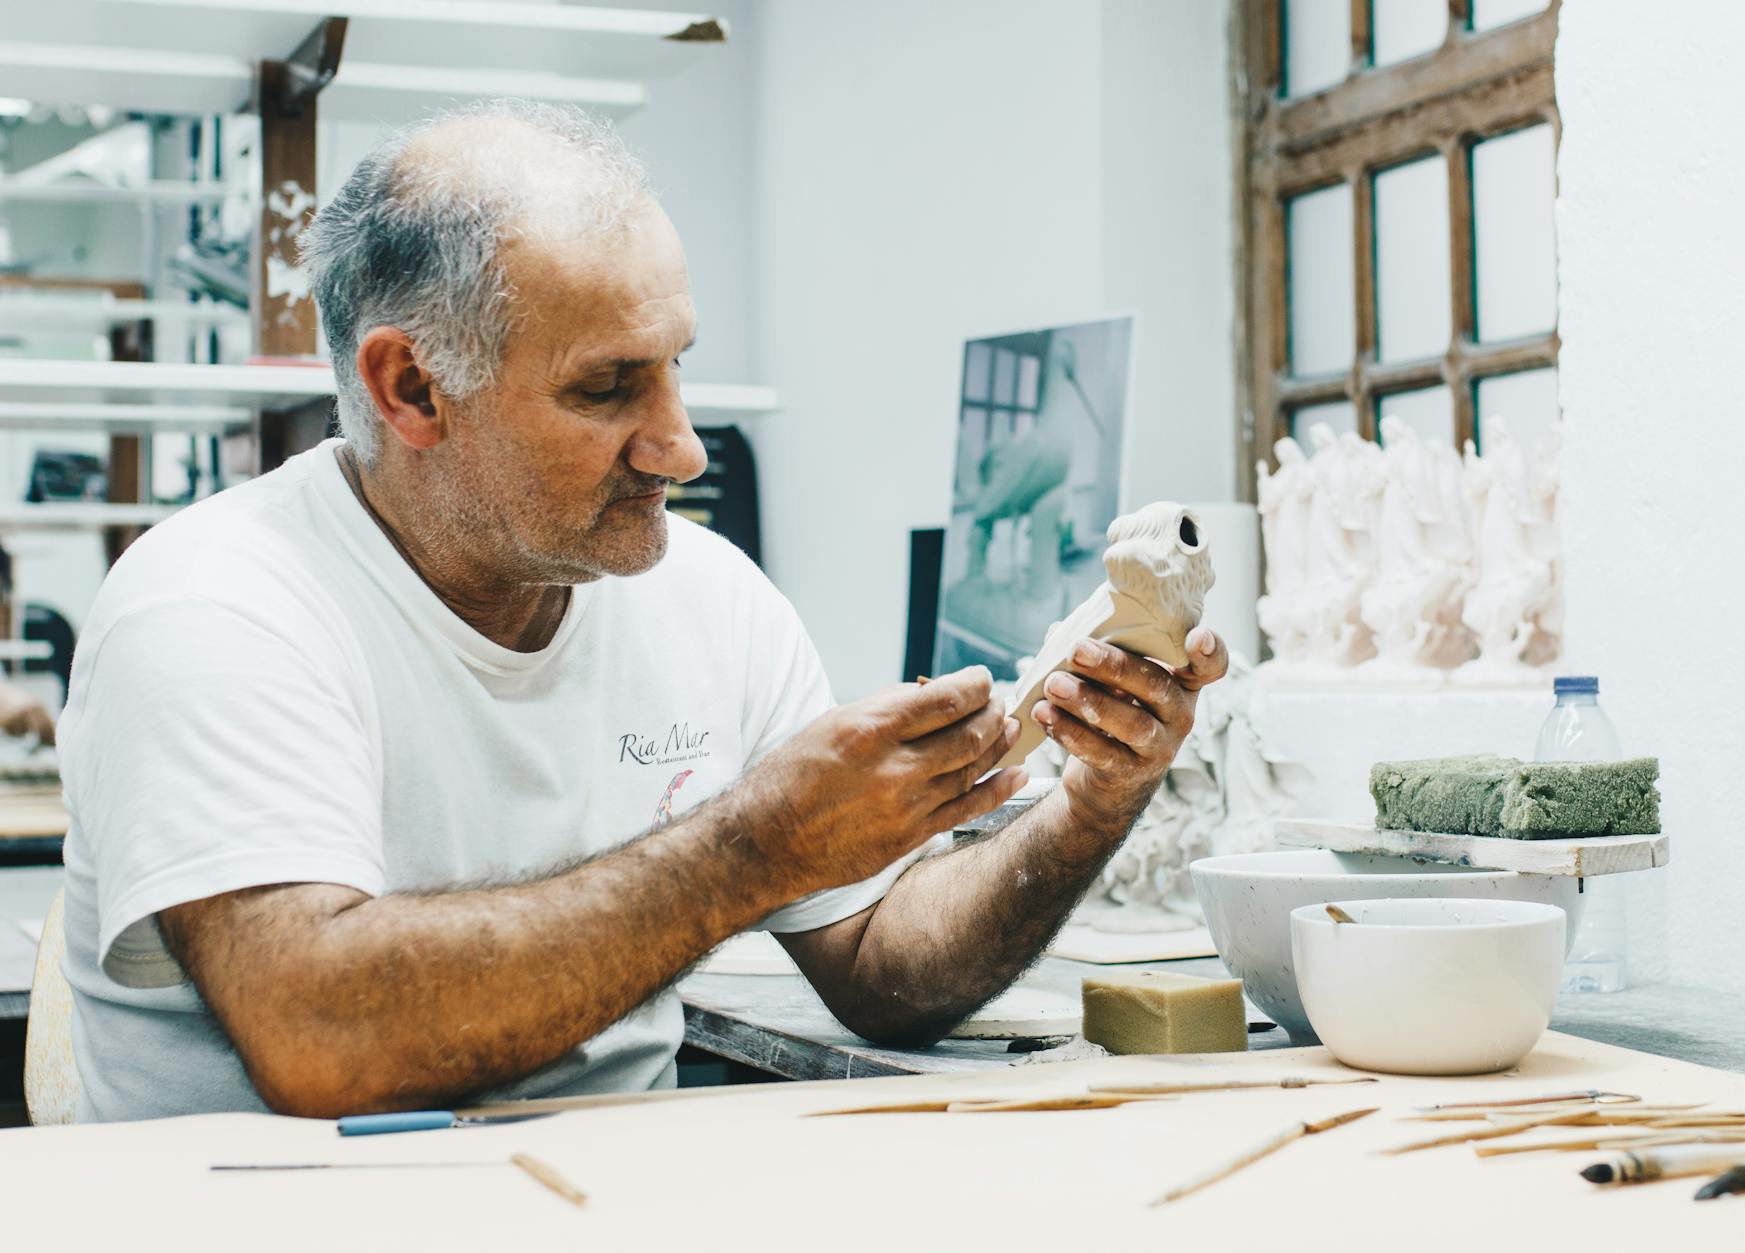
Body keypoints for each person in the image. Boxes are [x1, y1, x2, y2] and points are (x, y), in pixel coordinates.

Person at [55, 100, 1225, 1122]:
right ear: (411, 387)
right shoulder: (217, 607)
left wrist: (1091, 800)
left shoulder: (705, 599)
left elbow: (883, 968)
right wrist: (749, 848)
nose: (681, 445)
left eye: (675, 367)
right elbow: (326, 1036)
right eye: (606, 388)